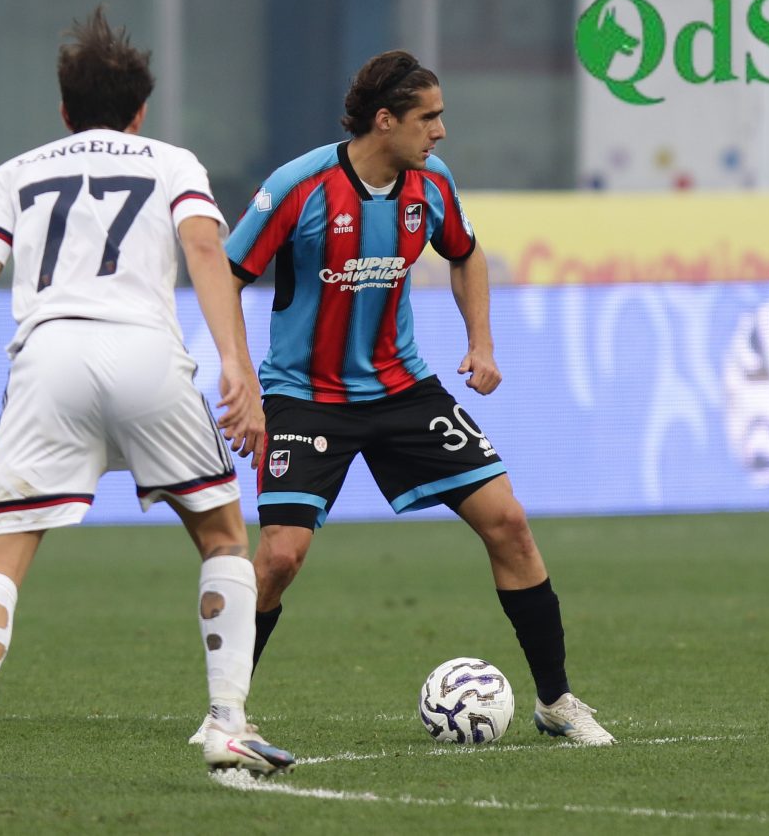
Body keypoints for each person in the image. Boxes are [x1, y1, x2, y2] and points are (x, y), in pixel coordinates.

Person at [0, 7, 294, 796]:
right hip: (148, 354)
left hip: (48, 359)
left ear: (63, 109)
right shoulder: (173, 162)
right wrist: (237, 368)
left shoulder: (16, 172)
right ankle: (227, 721)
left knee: (2, 551)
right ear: (140, 111)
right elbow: (203, 248)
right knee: (224, 537)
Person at [202, 49, 615, 746]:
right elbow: (226, 272)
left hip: (403, 388)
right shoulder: (299, 186)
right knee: (279, 557)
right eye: (429, 118)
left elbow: (466, 253)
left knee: (509, 522)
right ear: (385, 120)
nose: (441, 131)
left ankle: (557, 701)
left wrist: (481, 343)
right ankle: (225, 711)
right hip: (307, 395)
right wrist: (241, 379)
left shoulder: (432, 182)